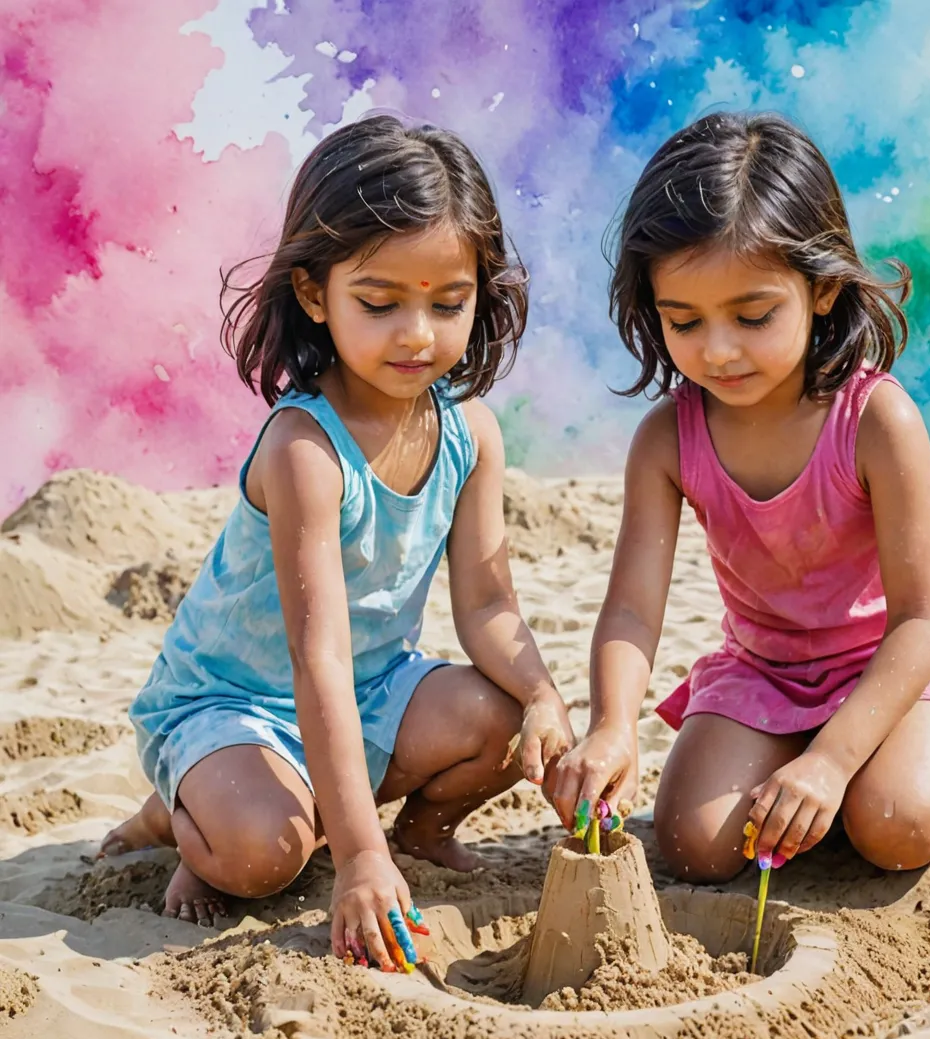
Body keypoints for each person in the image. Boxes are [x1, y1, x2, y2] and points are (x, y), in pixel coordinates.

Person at [98, 115, 574, 970]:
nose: (418, 334)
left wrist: (543, 694)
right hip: (237, 704)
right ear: (316, 294)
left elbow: (490, 604)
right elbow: (313, 658)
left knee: (501, 720)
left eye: (448, 303)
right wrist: (357, 858)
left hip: (373, 685)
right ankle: (176, 814)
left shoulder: (471, 433)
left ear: (481, 292)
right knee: (259, 856)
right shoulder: (305, 450)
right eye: (381, 303)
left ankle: (419, 832)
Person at [551, 111, 930, 882]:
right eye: (684, 321)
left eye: (753, 315)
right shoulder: (668, 439)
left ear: (823, 288)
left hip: (899, 665)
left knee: (892, 823)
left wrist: (832, 762)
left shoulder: (876, 421)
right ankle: (813, 766)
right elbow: (632, 611)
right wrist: (612, 726)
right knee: (694, 846)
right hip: (766, 671)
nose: (718, 349)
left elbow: (923, 620)